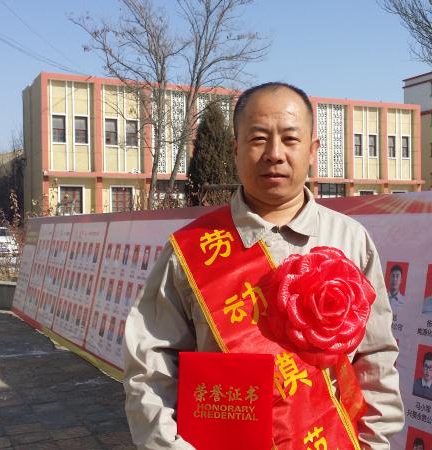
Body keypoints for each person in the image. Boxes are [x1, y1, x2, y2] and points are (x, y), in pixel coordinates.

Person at [123, 82, 404, 448]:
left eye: (290, 139)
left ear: (312, 150)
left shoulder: (350, 240)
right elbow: (150, 365)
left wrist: (372, 443)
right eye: (258, 139)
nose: (274, 154)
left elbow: (374, 357)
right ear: (235, 149)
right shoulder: (192, 249)